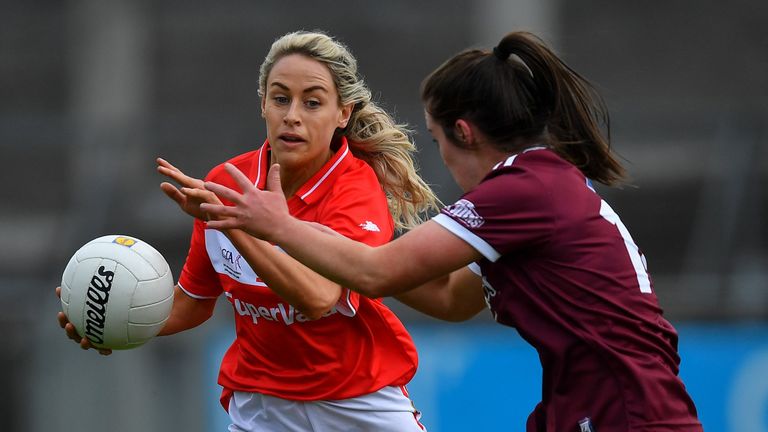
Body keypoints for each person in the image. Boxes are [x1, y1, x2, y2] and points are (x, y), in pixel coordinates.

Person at [199, 31, 704, 431]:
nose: (439, 154)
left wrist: (278, 227)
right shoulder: (542, 182)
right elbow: (449, 297)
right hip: (599, 406)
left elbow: (375, 273)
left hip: (624, 413)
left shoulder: (520, 192)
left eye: (438, 138)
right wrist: (334, 240)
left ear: (464, 133)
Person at [57, 30, 439, 432]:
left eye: (312, 102)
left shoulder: (355, 190)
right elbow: (193, 302)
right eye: (280, 98)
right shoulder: (227, 181)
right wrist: (112, 318)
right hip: (262, 404)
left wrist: (231, 222)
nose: (292, 114)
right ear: (263, 104)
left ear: (342, 113)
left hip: (358, 400)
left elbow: (319, 297)